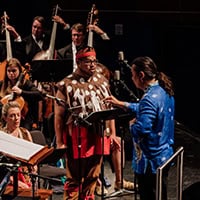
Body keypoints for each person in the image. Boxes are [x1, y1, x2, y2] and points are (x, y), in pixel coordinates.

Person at [104, 56, 175, 200]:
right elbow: (147, 109)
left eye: (133, 75)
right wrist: (122, 104)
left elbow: (142, 129)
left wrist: (132, 125)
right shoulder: (163, 90)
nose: (132, 78)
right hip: (164, 156)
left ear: (141, 76)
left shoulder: (149, 97)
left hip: (151, 161)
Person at [54, 46, 119, 199]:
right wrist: (59, 142)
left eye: (94, 61)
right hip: (76, 135)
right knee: (74, 178)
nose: (92, 65)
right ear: (79, 62)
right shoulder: (66, 84)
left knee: (93, 176)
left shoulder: (101, 80)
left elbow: (109, 108)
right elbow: (58, 117)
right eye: (88, 62)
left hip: (98, 133)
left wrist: (113, 134)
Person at [0, 101, 37, 189]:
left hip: (26, 176)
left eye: (18, 115)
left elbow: (33, 156)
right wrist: (16, 182)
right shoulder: (2, 137)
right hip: (8, 179)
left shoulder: (25, 133)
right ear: (5, 118)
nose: (16, 118)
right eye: (12, 115)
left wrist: (34, 168)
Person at [6, 15, 70, 65]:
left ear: (43, 29)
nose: (36, 30)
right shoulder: (26, 41)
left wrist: (63, 24)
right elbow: (20, 55)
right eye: (34, 27)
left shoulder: (50, 38)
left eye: (39, 28)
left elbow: (65, 40)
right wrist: (16, 35)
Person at [0, 58, 44, 130]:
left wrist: (21, 92)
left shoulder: (26, 84)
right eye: (9, 71)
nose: (11, 73)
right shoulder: (2, 84)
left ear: (19, 71)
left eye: (14, 71)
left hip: (23, 119)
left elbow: (39, 95)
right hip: (5, 118)